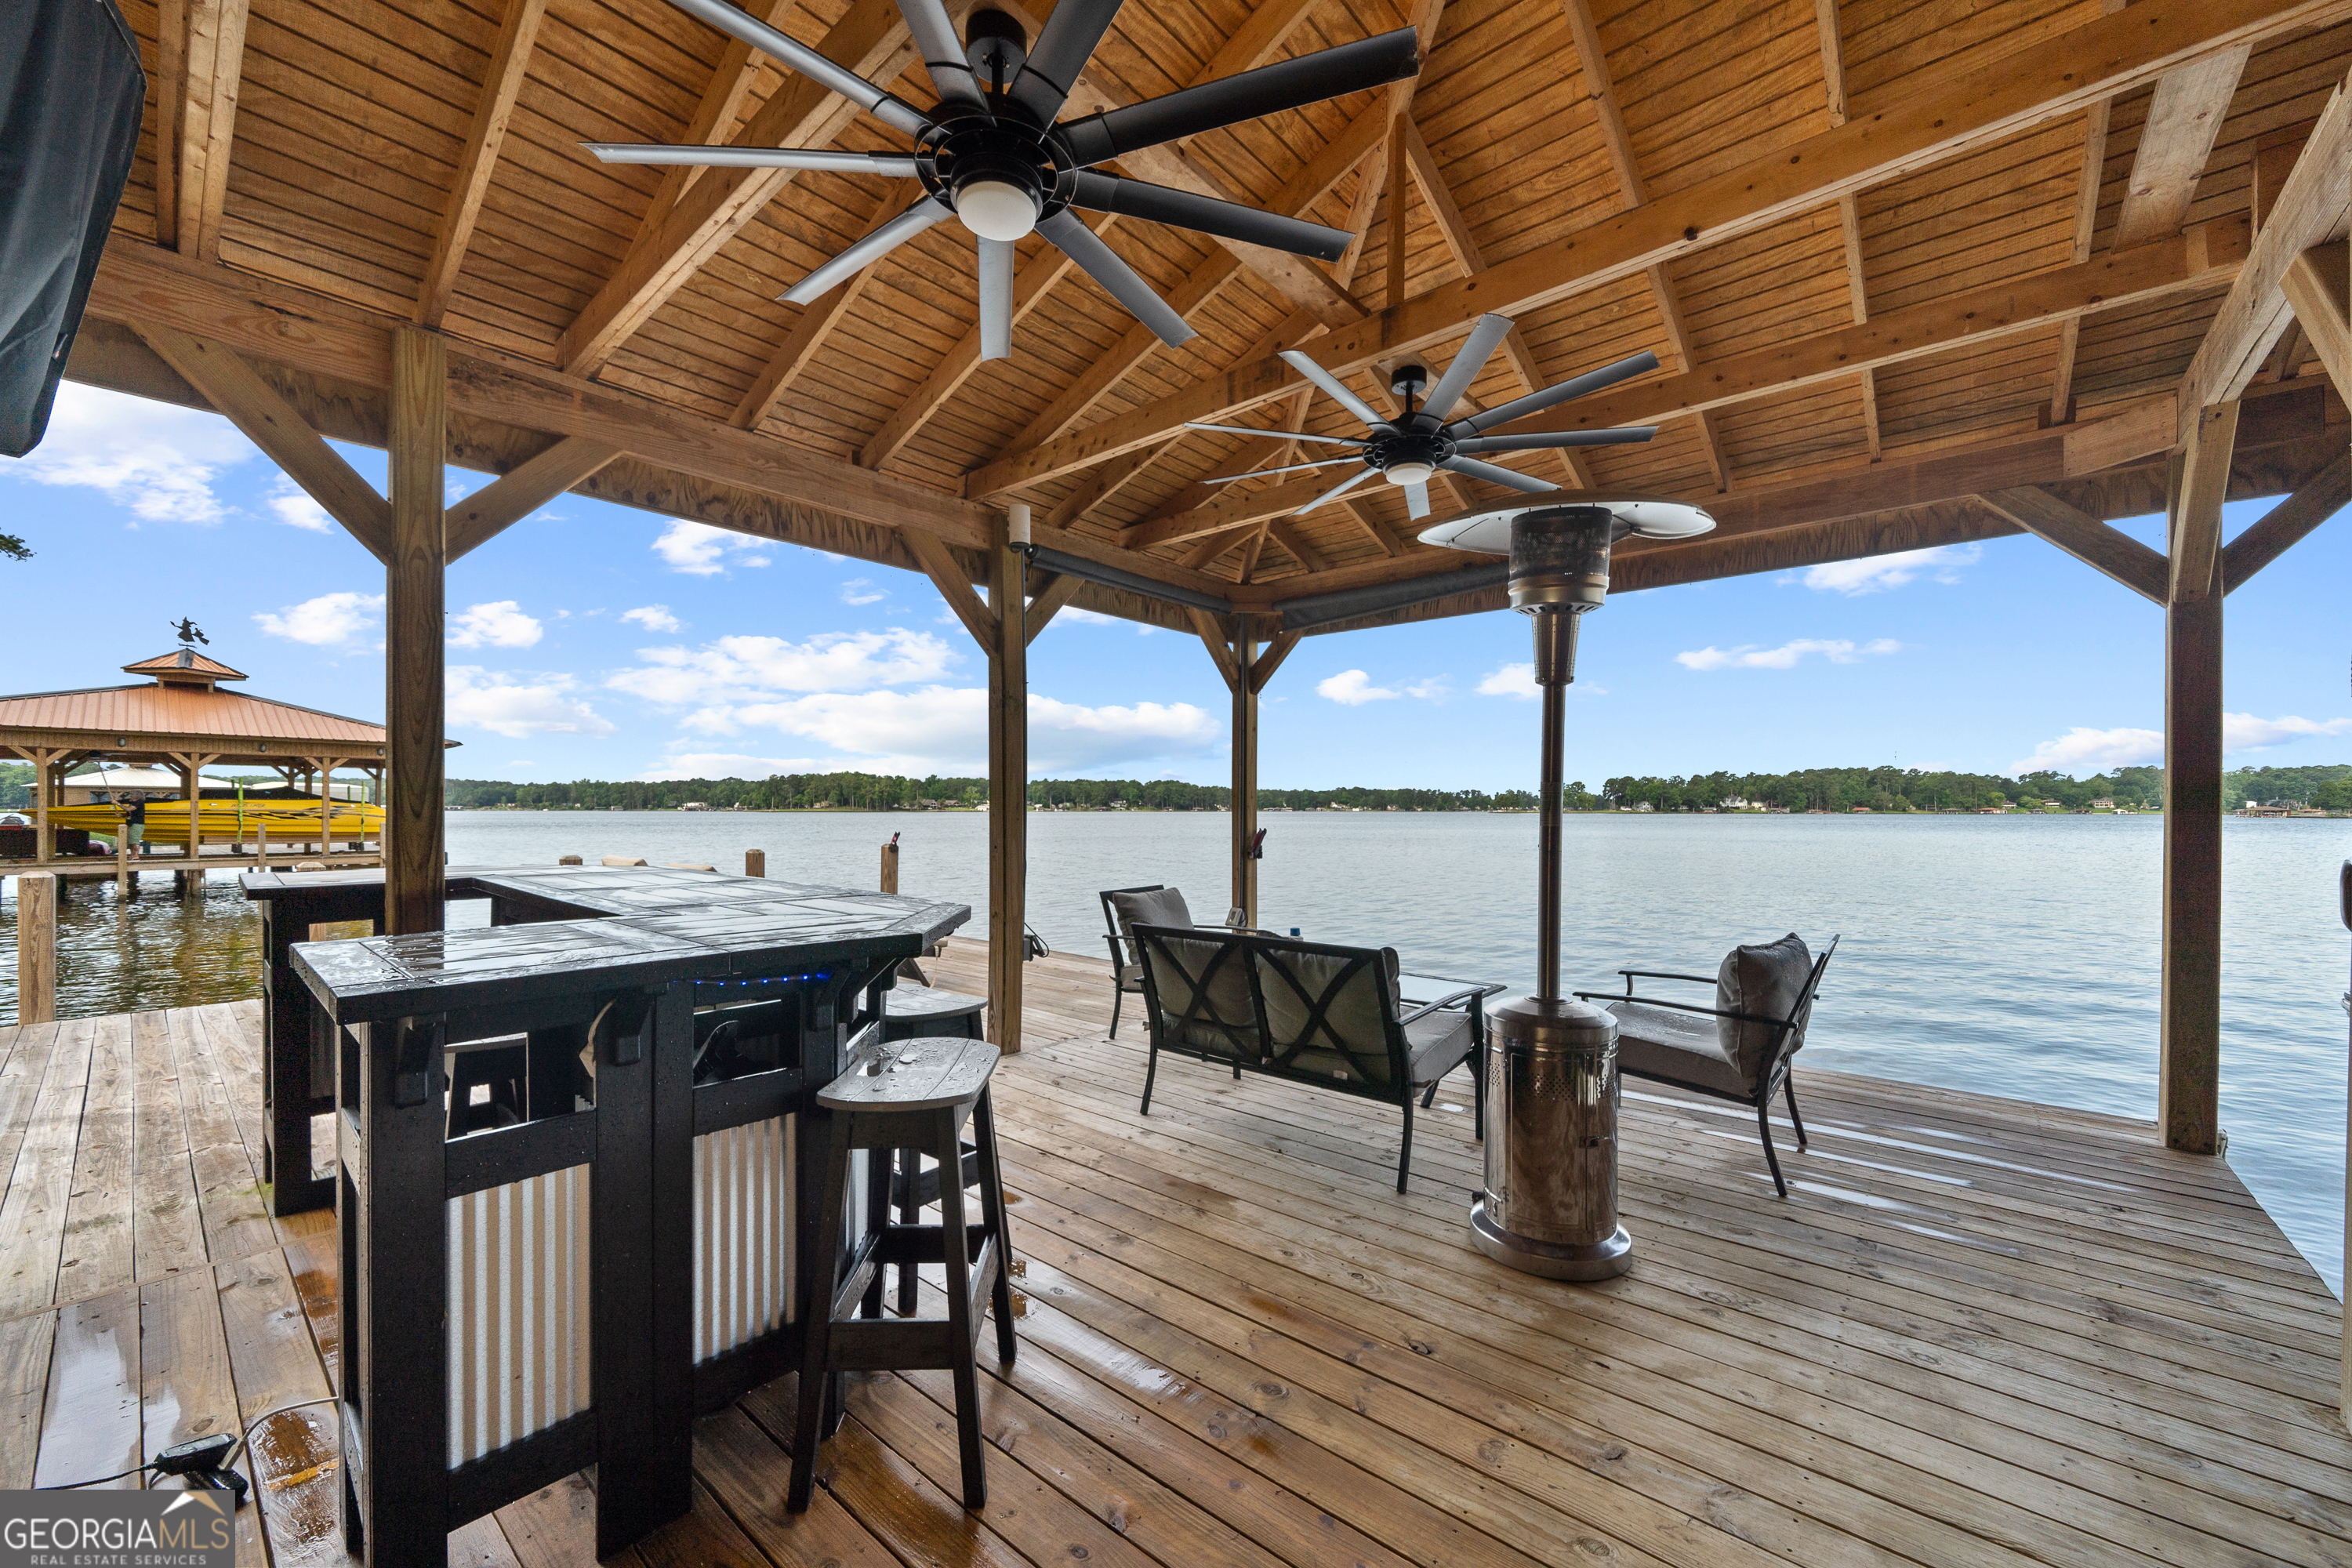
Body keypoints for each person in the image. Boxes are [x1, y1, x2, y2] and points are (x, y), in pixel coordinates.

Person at [118, 790, 147, 856]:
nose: (130, 797)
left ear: (136, 796)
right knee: (130, 841)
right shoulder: (132, 803)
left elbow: (128, 809)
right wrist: (122, 815)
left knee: (135, 840)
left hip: (137, 824)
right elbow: (130, 814)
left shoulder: (139, 802)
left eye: (131, 795)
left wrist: (118, 804)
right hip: (130, 823)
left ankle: (136, 855)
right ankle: (132, 855)